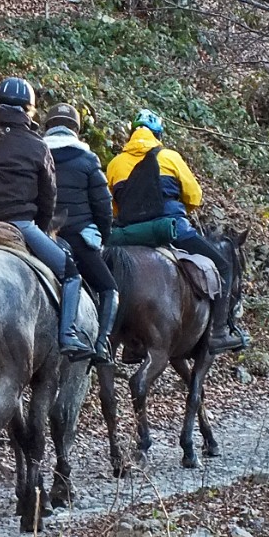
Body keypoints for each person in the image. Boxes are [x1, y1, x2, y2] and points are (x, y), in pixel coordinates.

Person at [0, 77, 94, 360]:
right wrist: (41, 229)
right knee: (70, 273)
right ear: (29, 111)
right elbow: (48, 198)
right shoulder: (37, 146)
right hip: (21, 225)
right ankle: (67, 335)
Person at [105, 109, 246, 354]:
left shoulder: (115, 164)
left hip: (130, 236)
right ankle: (219, 332)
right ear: (158, 134)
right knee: (222, 266)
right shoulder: (169, 157)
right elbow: (194, 196)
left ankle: (126, 342)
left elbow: (114, 207)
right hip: (172, 229)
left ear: (131, 134)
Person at [42, 104, 119, 363]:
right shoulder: (87, 160)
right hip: (77, 239)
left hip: (43, 237)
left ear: (48, 126)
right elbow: (103, 207)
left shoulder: (36, 154)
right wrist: (102, 239)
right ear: (76, 129)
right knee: (109, 288)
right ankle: (100, 345)